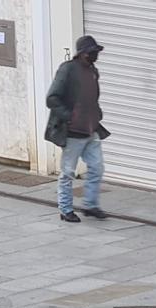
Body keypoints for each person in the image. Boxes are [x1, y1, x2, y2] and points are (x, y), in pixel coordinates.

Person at [45, 35, 110, 223]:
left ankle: (90, 205)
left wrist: (96, 114)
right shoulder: (67, 70)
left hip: (91, 130)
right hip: (73, 132)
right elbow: (52, 98)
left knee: (97, 168)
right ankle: (65, 210)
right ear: (82, 53)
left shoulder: (93, 71)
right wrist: (70, 116)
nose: (95, 55)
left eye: (96, 52)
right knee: (67, 173)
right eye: (92, 52)